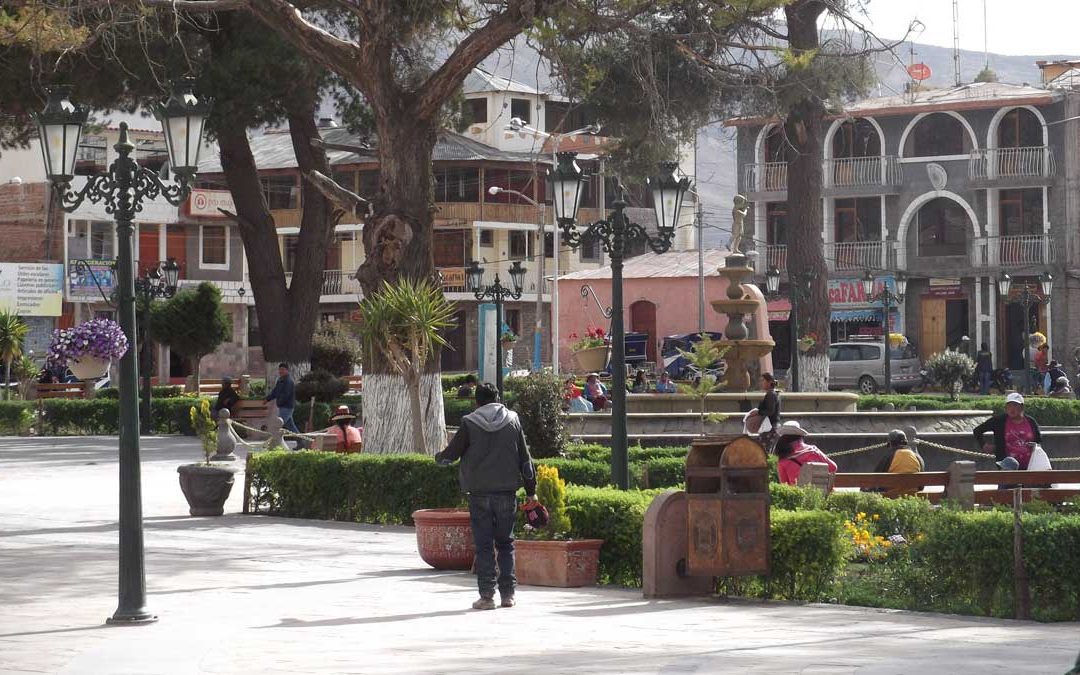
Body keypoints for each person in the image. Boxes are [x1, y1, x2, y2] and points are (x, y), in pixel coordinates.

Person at [435, 383, 536, 611]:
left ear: (477, 402)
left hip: (479, 493)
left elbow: (451, 454)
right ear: (498, 398)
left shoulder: (470, 423)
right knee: (506, 543)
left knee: (483, 545)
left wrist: (439, 458)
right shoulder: (513, 420)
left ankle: (487, 596)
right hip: (507, 492)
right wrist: (531, 491)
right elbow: (526, 460)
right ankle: (508, 595)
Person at [972, 392, 1042, 469]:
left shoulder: (1031, 422)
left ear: (1022, 407)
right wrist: (983, 445)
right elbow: (977, 430)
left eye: (1015, 405)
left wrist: (1034, 446)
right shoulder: (999, 421)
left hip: (1029, 466)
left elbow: (1038, 441)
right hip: (1006, 466)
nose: (1012, 409)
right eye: (1009, 405)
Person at [774, 421, 836, 485]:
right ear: (800, 436)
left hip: (797, 493)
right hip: (819, 492)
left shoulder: (783, 460)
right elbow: (833, 467)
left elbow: (785, 486)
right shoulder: (814, 451)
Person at [872, 429, 925, 498]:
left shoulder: (888, 456)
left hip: (891, 497)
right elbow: (921, 486)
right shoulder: (916, 457)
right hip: (913, 496)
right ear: (906, 442)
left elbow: (875, 479)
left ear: (890, 443)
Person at [265, 363, 299, 435]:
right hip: (282, 406)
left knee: (277, 425)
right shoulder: (280, 380)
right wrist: (267, 399)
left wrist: (280, 401)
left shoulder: (289, 381)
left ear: (287, 371)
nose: (281, 371)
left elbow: (286, 395)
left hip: (287, 407)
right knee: (291, 426)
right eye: (280, 369)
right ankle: (301, 441)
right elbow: (275, 391)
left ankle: (272, 442)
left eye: (283, 369)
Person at [745, 373, 780, 438]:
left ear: (769, 382)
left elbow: (770, 411)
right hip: (770, 427)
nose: (761, 383)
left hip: (770, 428)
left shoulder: (771, 395)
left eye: (763, 380)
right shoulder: (771, 393)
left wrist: (757, 412)